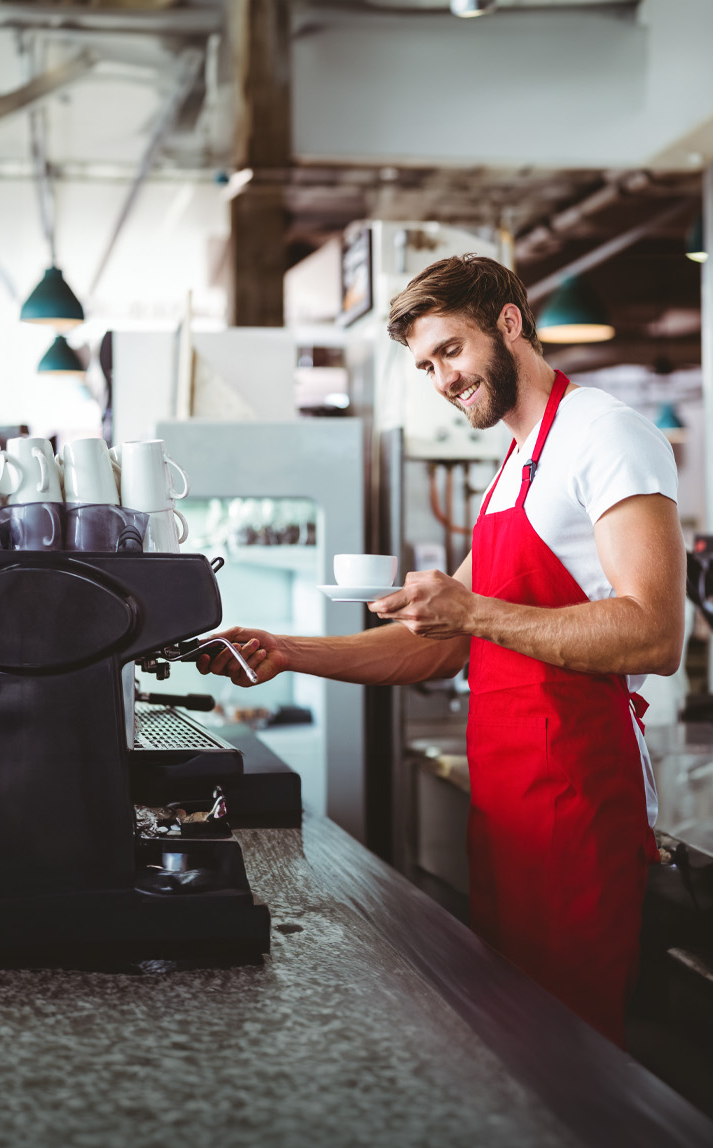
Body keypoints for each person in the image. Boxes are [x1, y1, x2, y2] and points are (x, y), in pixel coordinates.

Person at [198, 254, 686, 1046]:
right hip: (508, 809)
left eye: (450, 351)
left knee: (570, 1048)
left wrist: (473, 609)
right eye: (426, 366)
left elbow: (655, 633)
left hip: (577, 803)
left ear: (508, 322)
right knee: (516, 1039)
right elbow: (439, 644)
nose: (443, 379)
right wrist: (286, 650)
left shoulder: (607, 434)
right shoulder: (515, 464)